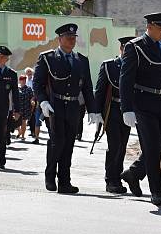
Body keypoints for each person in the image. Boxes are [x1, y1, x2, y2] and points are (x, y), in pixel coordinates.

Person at [33, 23, 102, 194]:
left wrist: (93, 109)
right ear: (59, 39)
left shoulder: (81, 60)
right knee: (57, 142)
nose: (72, 40)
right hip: (54, 106)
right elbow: (37, 83)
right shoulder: (47, 57)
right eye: (68, 37)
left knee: (69, 144)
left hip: (73, 106)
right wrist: (42, 102)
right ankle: (50, 176)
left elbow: (87, 87)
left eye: (74, 37)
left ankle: (65, 181)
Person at [119, 12, 161, 206]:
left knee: (159, 146)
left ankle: (133, 173)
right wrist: (127, 108)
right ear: (149, 26)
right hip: (143, 102)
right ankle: (156, 192)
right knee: (151, 148)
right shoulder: (135, 46)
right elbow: (125, 79)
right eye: (160, 27)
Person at [94, 36, 133, 194]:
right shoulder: (109, 65)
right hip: (113, 109)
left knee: (122, 146)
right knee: (114, 145)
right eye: (126, 49)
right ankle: (110, 179)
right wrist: (96, 112)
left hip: (128, 110)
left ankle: (117, 176)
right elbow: (100, 90)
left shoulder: (135, 66)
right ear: (121, 49)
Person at [16, 74, 35, 140]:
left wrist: (32, 101)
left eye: (24, 79)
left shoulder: (29, 88)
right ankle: (20, 131)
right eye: (21, 79)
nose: (23, 81)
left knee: (24, 122)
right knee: (15, 121)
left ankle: (23, 136)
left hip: (26, 107)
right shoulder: (16, 88)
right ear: (19, 80)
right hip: (18, 107)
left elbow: (32, 97)